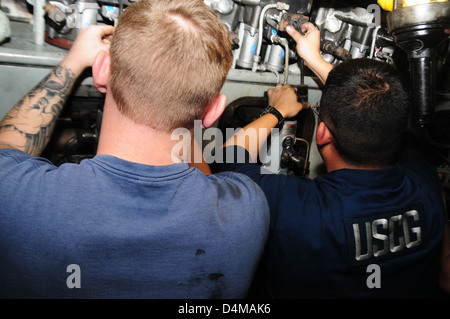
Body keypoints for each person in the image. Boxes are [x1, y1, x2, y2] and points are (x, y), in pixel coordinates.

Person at [0, 0, 270, 298]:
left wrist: (73, 62)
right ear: (213, 112)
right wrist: (187, 106)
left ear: (102, 71)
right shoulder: (248, 209)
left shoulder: (13, 195)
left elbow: (8, 144)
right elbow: (206, 178)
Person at [214, 22, 447, 298]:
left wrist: (276, 110)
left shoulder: (299, 212)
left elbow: (226, 160)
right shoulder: (426, 182)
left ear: (321, 134)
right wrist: (315, 60)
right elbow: (381, 112)